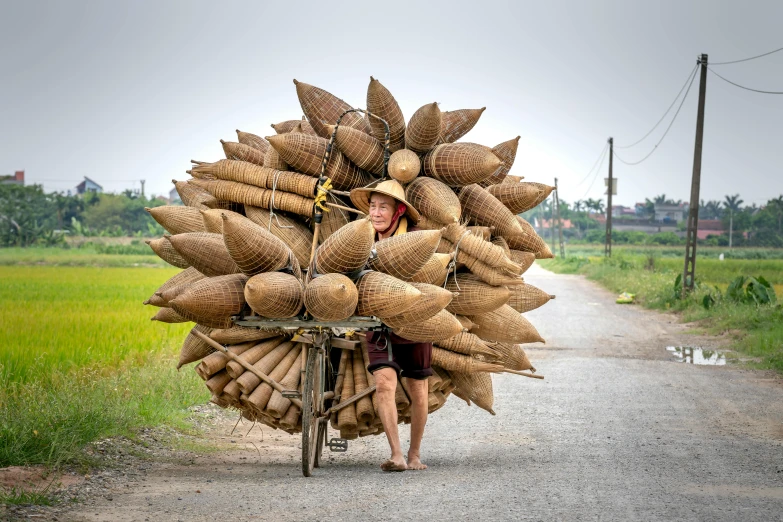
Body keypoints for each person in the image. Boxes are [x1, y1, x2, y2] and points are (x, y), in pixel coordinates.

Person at [350, 179, 431, 472]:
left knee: (419, 391)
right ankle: (396, 454)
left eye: (383, 207)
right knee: (384, 384)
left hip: (414, 323)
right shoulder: (362, 238)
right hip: (379, 325)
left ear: (398, 212)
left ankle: (415, 454)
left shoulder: (416, 237)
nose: (376, 212)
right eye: (372, 206)